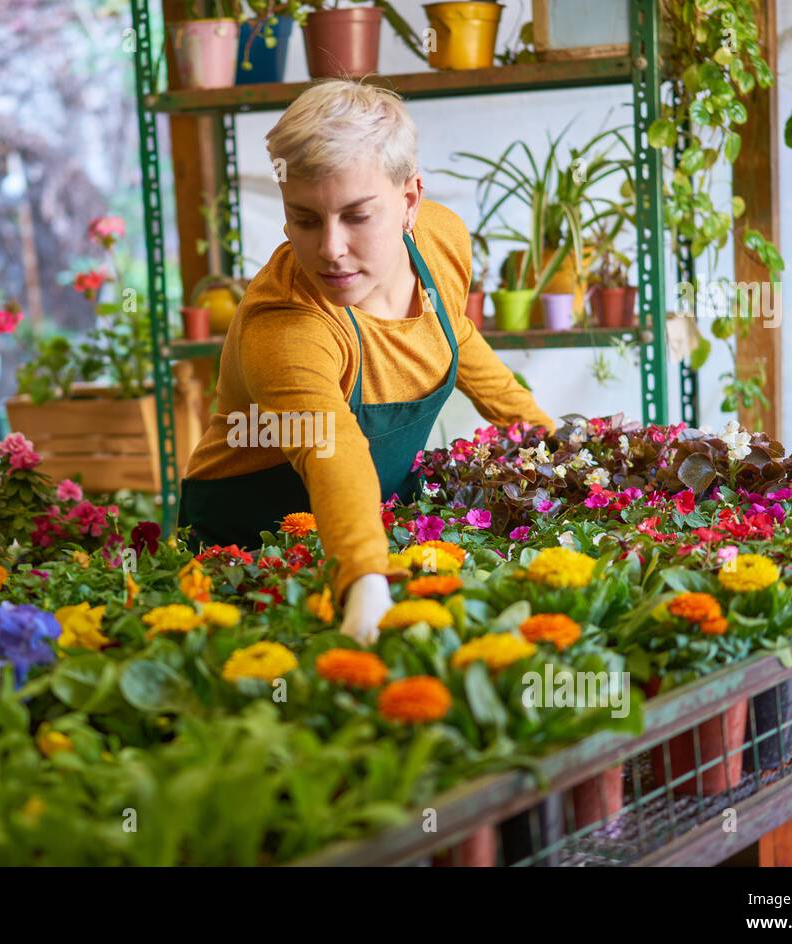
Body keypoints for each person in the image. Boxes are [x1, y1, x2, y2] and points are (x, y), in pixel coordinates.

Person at [179, 78, 554, 645]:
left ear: (409, 200)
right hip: (249, 555)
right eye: (304, 219)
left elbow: (454, 332)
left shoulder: (441, 240)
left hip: (367, 528)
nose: (330, 248)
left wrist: (548, 440)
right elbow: (332, 448)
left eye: (357, 217)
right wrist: (365, 581)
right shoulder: (285, 324)